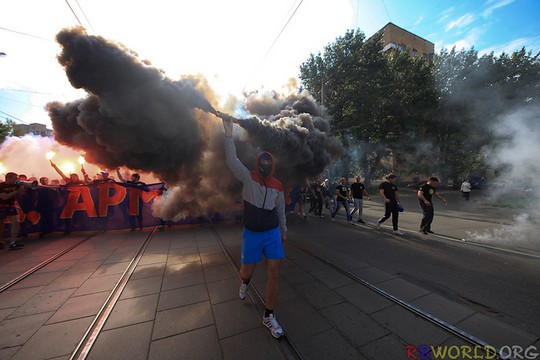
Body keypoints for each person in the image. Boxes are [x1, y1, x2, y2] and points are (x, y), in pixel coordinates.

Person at [219, 111, 287, 339]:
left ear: (273, 165)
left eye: (270, 162)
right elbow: (232, 160)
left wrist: (283, 230)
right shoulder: (248, 177)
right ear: (259, 164)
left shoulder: (278, 184)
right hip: (252, 234)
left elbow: (280, 210)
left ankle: (269, 315)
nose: (266, 165)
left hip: (271, 234)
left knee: (274, 272)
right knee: (246, 271)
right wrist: (228, 135)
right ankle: (245, 282)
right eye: (263, 162)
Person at [0, 172, 25, 250]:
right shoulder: (1, 185)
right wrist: (17, 191)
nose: (17, 179)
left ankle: (13, 242)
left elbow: (35, 186)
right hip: (1, 206)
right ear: (9, 178)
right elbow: (4, 197)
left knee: (16, 222)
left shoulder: (16, 185)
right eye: (15, 178)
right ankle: (1, 242)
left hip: (11, 205)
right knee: (1, 226)